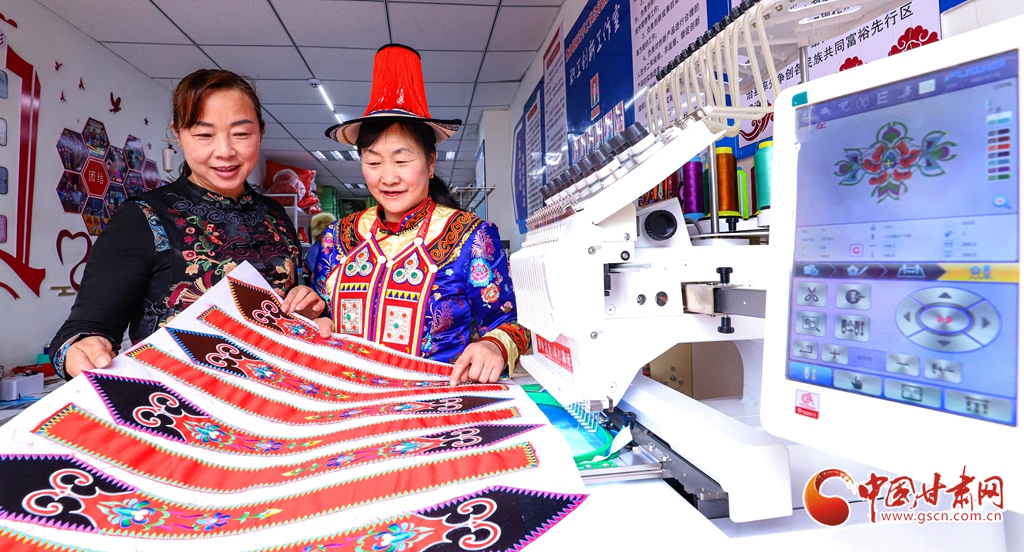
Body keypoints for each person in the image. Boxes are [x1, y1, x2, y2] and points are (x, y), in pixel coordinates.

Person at [51, 69, 332, 380]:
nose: (224, 151)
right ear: (178, 134)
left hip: (277, 392)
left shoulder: (275, 216)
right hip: (181, 399)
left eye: (241, 134)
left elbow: (291, 308)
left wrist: (306, 312)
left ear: (261, 133)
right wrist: (80, 348)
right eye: (204, 135)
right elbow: (83, 329)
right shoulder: (143, 217)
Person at [316, 44, 528, 386]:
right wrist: (315, 320)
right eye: (373, 161)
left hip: (434, 402)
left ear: (431, 162)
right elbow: (322, 313)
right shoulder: (339, 237)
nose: (388, 177)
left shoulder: (470, 236)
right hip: (347, 398)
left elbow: (512, 323)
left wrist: (494, 345)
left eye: (402, 160)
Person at [304, 212, 336, 281]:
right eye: (325, 233)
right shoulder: (315, 250)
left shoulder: (328, 247)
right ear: (318, 234)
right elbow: (317, 271)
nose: (328, 236)